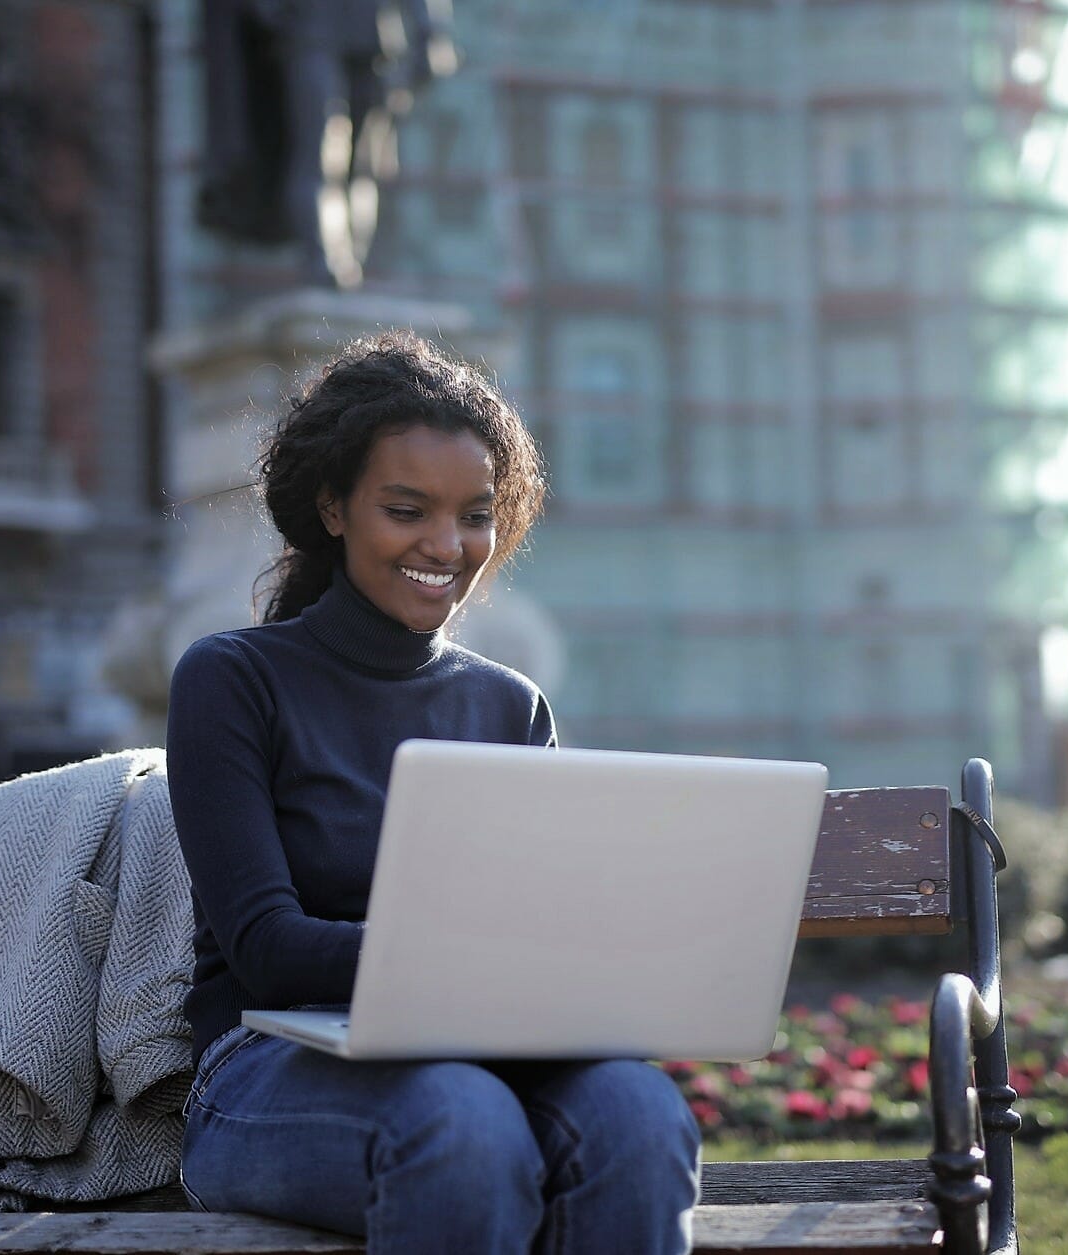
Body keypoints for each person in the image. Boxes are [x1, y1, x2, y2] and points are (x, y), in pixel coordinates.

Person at [165, 331, 701, 1254]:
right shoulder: (233, 679)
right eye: (407, 509)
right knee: (460, 1124)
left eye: (476, 515)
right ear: (333, 506)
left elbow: (534, 926)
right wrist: (474, 959)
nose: (447, 547)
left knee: (639, 1112)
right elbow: (268, 950)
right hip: (273, 1064)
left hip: (481, 1048)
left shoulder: (508, 704)